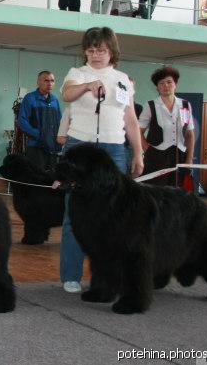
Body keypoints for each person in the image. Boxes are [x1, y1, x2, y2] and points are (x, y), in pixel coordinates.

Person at [59, 26, 143, 293]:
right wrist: (86, 86)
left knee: (115, 215)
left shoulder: (122, 80)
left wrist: (138, 152)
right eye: (91, 49)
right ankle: (71, 275)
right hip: (80, 146)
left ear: (111, 52)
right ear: (85, 51)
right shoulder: (76, 74)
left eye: (102, 50)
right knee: (75, 213)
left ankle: (112, 275)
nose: (96, 55)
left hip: (114, 148)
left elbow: (130, 119)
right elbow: (67, 95)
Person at [138, 66, 195, 187]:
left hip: (179, 155)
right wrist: (147, 149)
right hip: (156, 156)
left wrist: (189, 158)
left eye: (169, 82)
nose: (166, 86)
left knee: (177, 191)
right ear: (157, 87)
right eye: (161, 83)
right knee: (155, 190)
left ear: (175, 84)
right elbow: (138, 131)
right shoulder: (151, 105)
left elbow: (190, 134)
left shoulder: (185, 105)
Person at [18, 71, 62, 171]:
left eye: (52, 81)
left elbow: (59, 122)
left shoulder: (55, 100)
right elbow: (22, 121)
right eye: (46, 80)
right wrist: (39, 135)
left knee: (51, 179)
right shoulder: (30, 98)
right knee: (37, 178)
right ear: (38, 82)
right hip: (36, 147)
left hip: (52, 147)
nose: (49, 83)